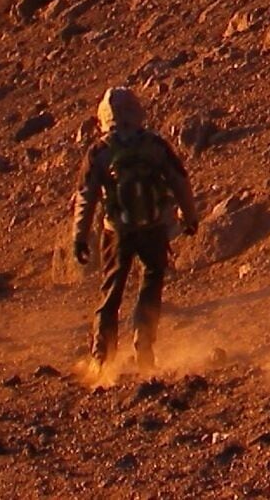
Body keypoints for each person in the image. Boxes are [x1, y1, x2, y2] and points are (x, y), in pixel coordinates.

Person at [71, 86, 197, 371]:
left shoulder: (100, 151)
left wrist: (79, 236)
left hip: (116, 231)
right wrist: (190, 217)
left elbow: (86, 196)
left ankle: (102, 359)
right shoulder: (155, 144)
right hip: (153, 227)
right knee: (151, 283)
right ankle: (144, 344)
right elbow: (180, 181)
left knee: (112, 290)